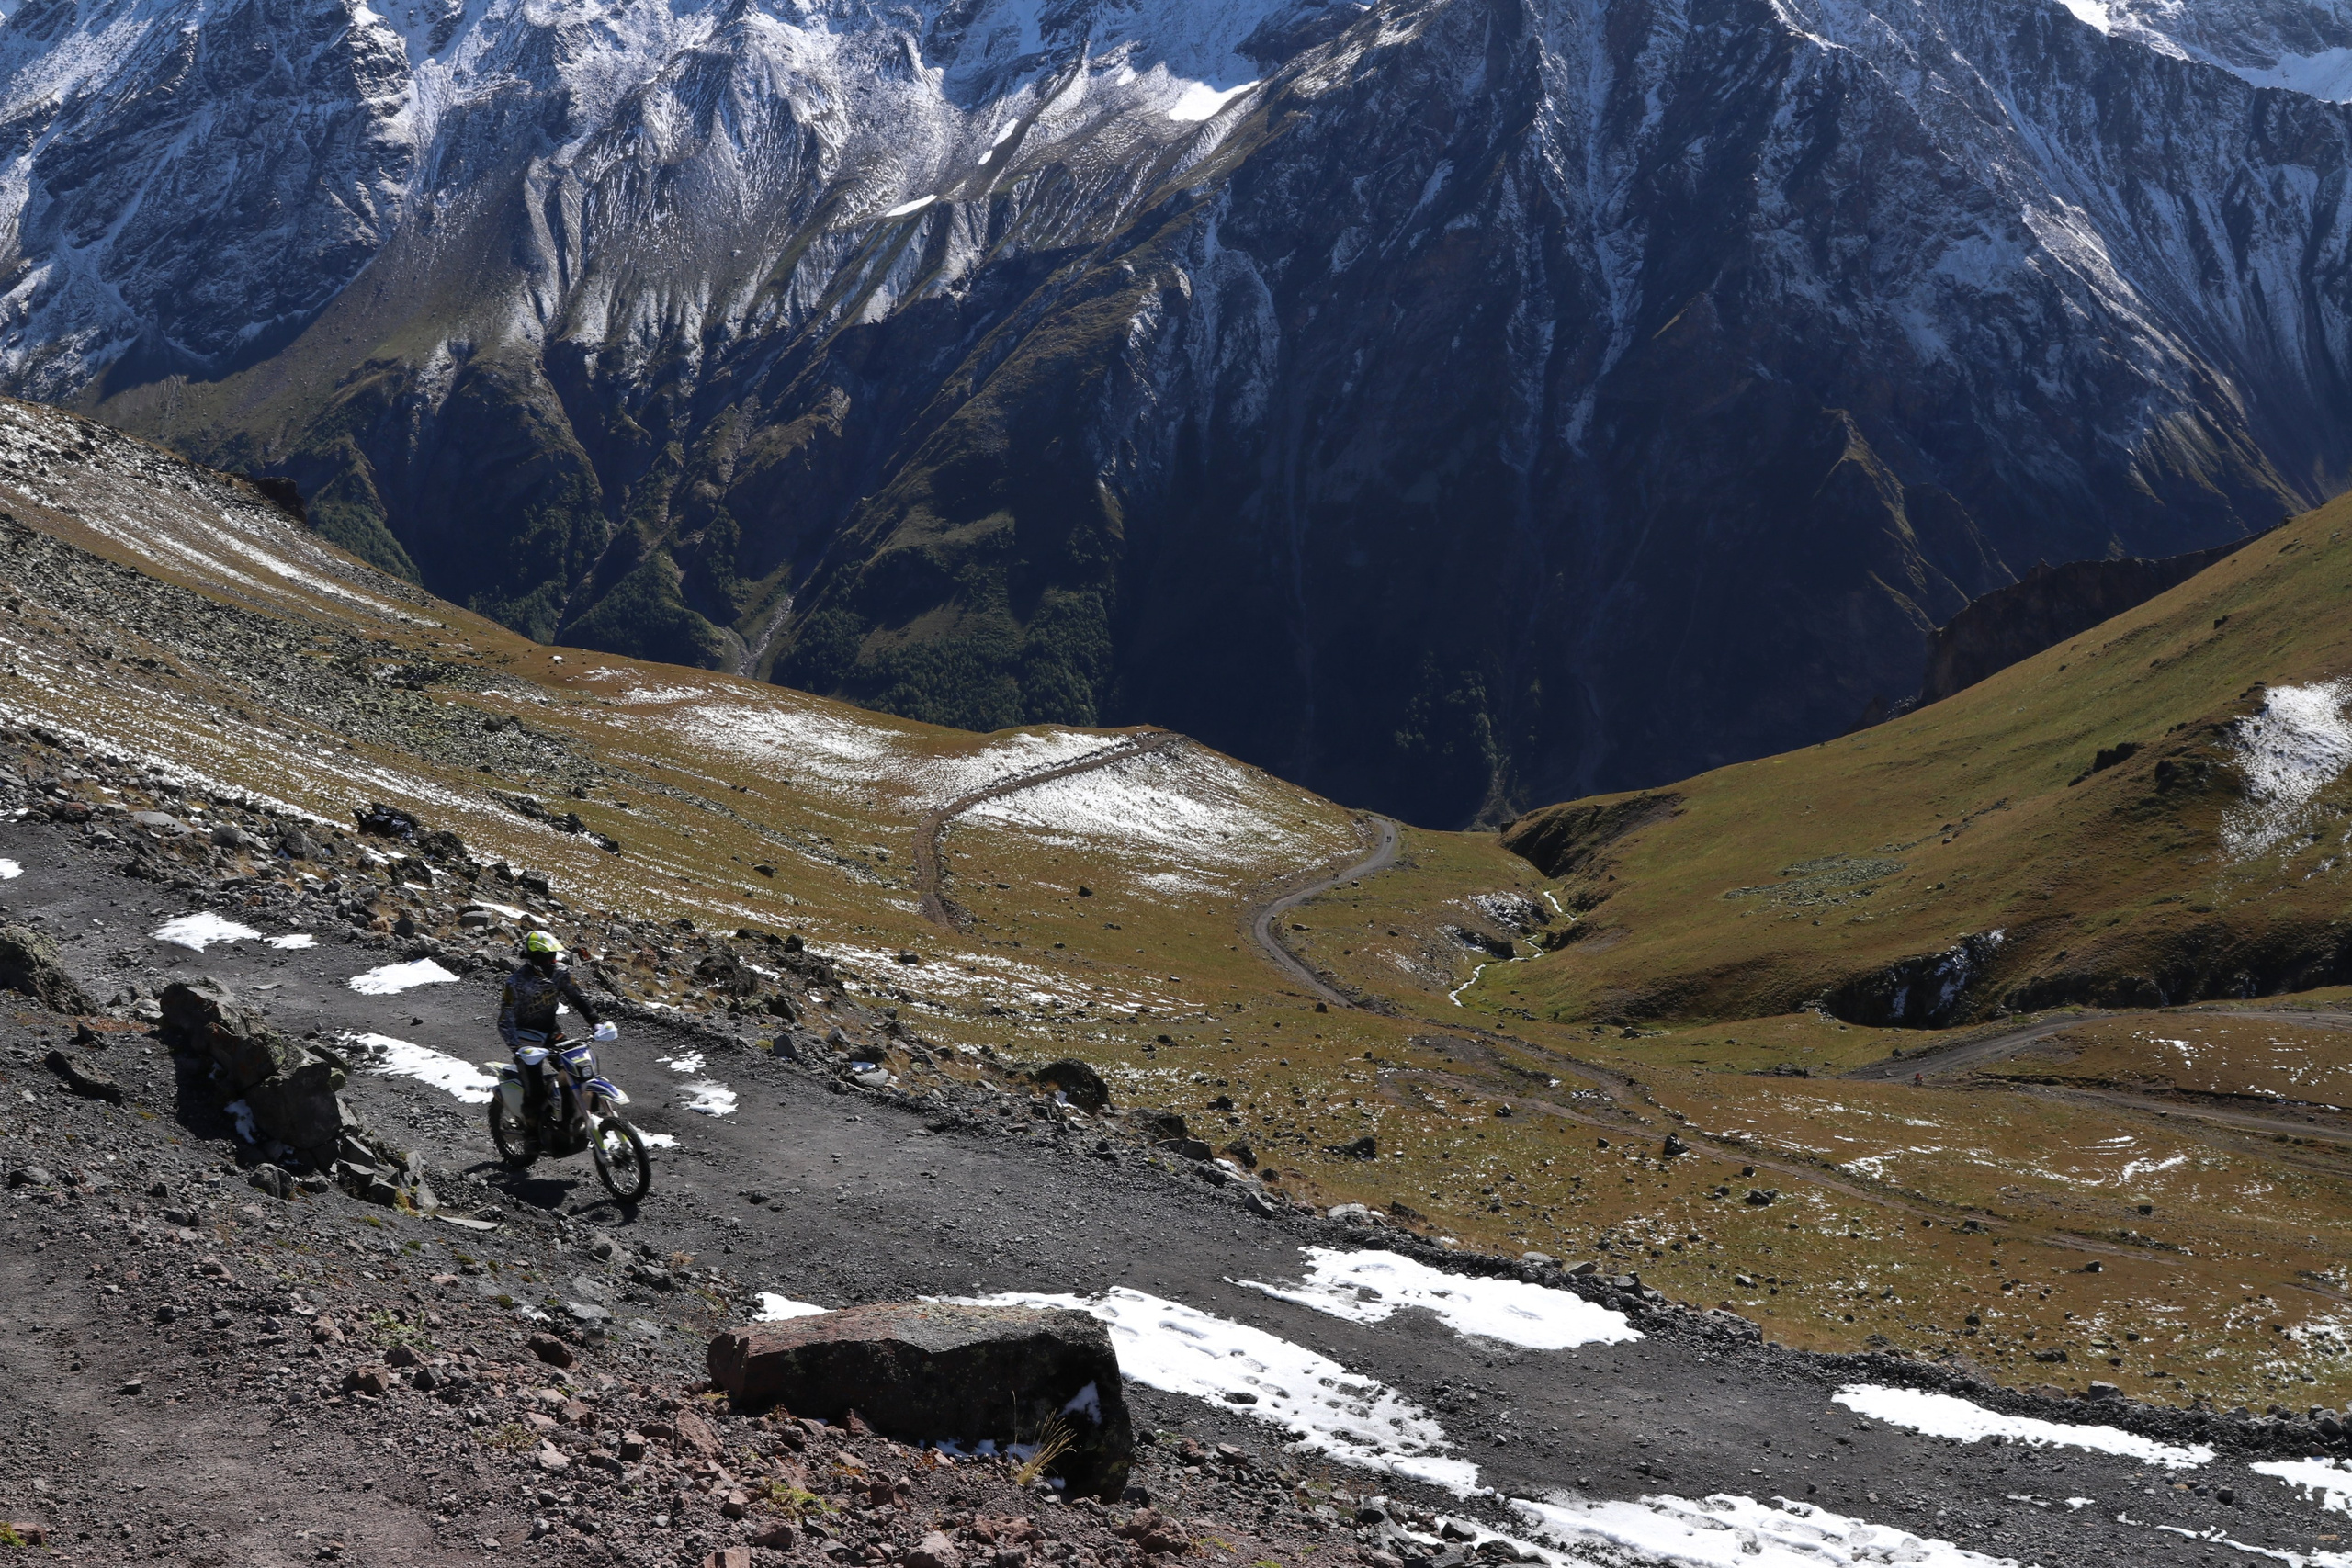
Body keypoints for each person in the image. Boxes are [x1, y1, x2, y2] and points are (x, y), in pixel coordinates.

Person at [498, 930, 605, 1134]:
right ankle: (531, 1135)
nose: (551, 962)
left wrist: (595, 1023)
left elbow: (578, 997)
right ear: (533, 958)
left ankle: (567, 1123)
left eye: (553, 956)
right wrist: (518, 1048)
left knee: (578, 1071)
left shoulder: (560, 972)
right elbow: (505, 1019)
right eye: (546, 958)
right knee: (535, 1092)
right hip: (525, 1039)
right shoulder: (516, 982)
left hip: (551, 1032)